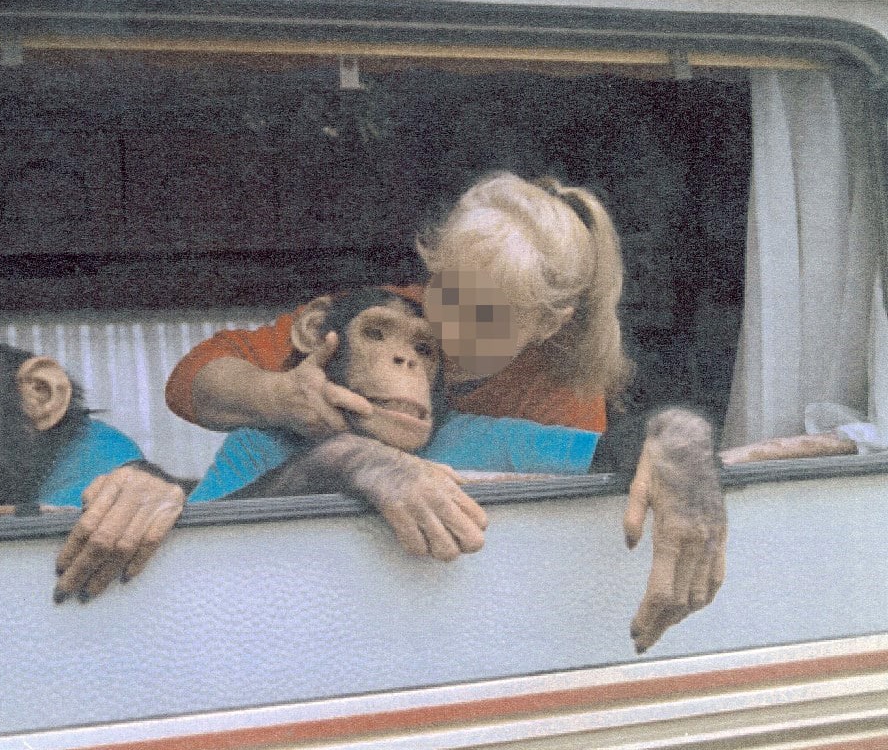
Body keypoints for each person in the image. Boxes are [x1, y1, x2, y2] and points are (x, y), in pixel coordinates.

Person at [59, 172, 725, 653]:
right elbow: (189, 389)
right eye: (445, 294)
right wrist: (278, 396)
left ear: (547, 326)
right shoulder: (380, 321)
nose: (442, 335)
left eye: (481, 320)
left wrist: (683, 442)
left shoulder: (535, 407)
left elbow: (573, 515)